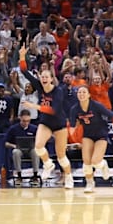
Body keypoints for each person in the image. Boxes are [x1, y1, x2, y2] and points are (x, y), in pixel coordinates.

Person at [18, 45, 73, 188]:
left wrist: (34, 107)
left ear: (51, 79)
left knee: (61, 156)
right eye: (42, 77)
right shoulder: (39, 86)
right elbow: (24, 72)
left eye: (46, 77)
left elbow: (54, 110)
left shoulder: (58, 91)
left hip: (59, 124)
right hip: (46, 123)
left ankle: (68, 176)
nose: (43, 79)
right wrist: (22, 56)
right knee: (38, 147)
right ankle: (48, 165)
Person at [70, 86, 113, 193]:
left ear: (89, 95)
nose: (81, 94)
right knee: (86, 162)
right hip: (87, 135)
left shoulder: (96, 106)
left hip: (101, 135)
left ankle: (103, 164)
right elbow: (73, 127)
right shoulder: (74, 109)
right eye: (79, 92)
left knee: (95, 161)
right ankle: (90, 183)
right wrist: (72, 139)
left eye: (84, 92)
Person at [5, 110, 40, 182]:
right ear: (20, 118)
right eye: (24, 121)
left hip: (30, 149)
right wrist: (13, 145)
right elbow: (6, 143)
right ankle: (19, 175)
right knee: (15, 152)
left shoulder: (34, 128)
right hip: (19, 149)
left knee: (35, 152)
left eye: (28, 121)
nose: (26, 123)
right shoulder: (13, 129)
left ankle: (35, 175)